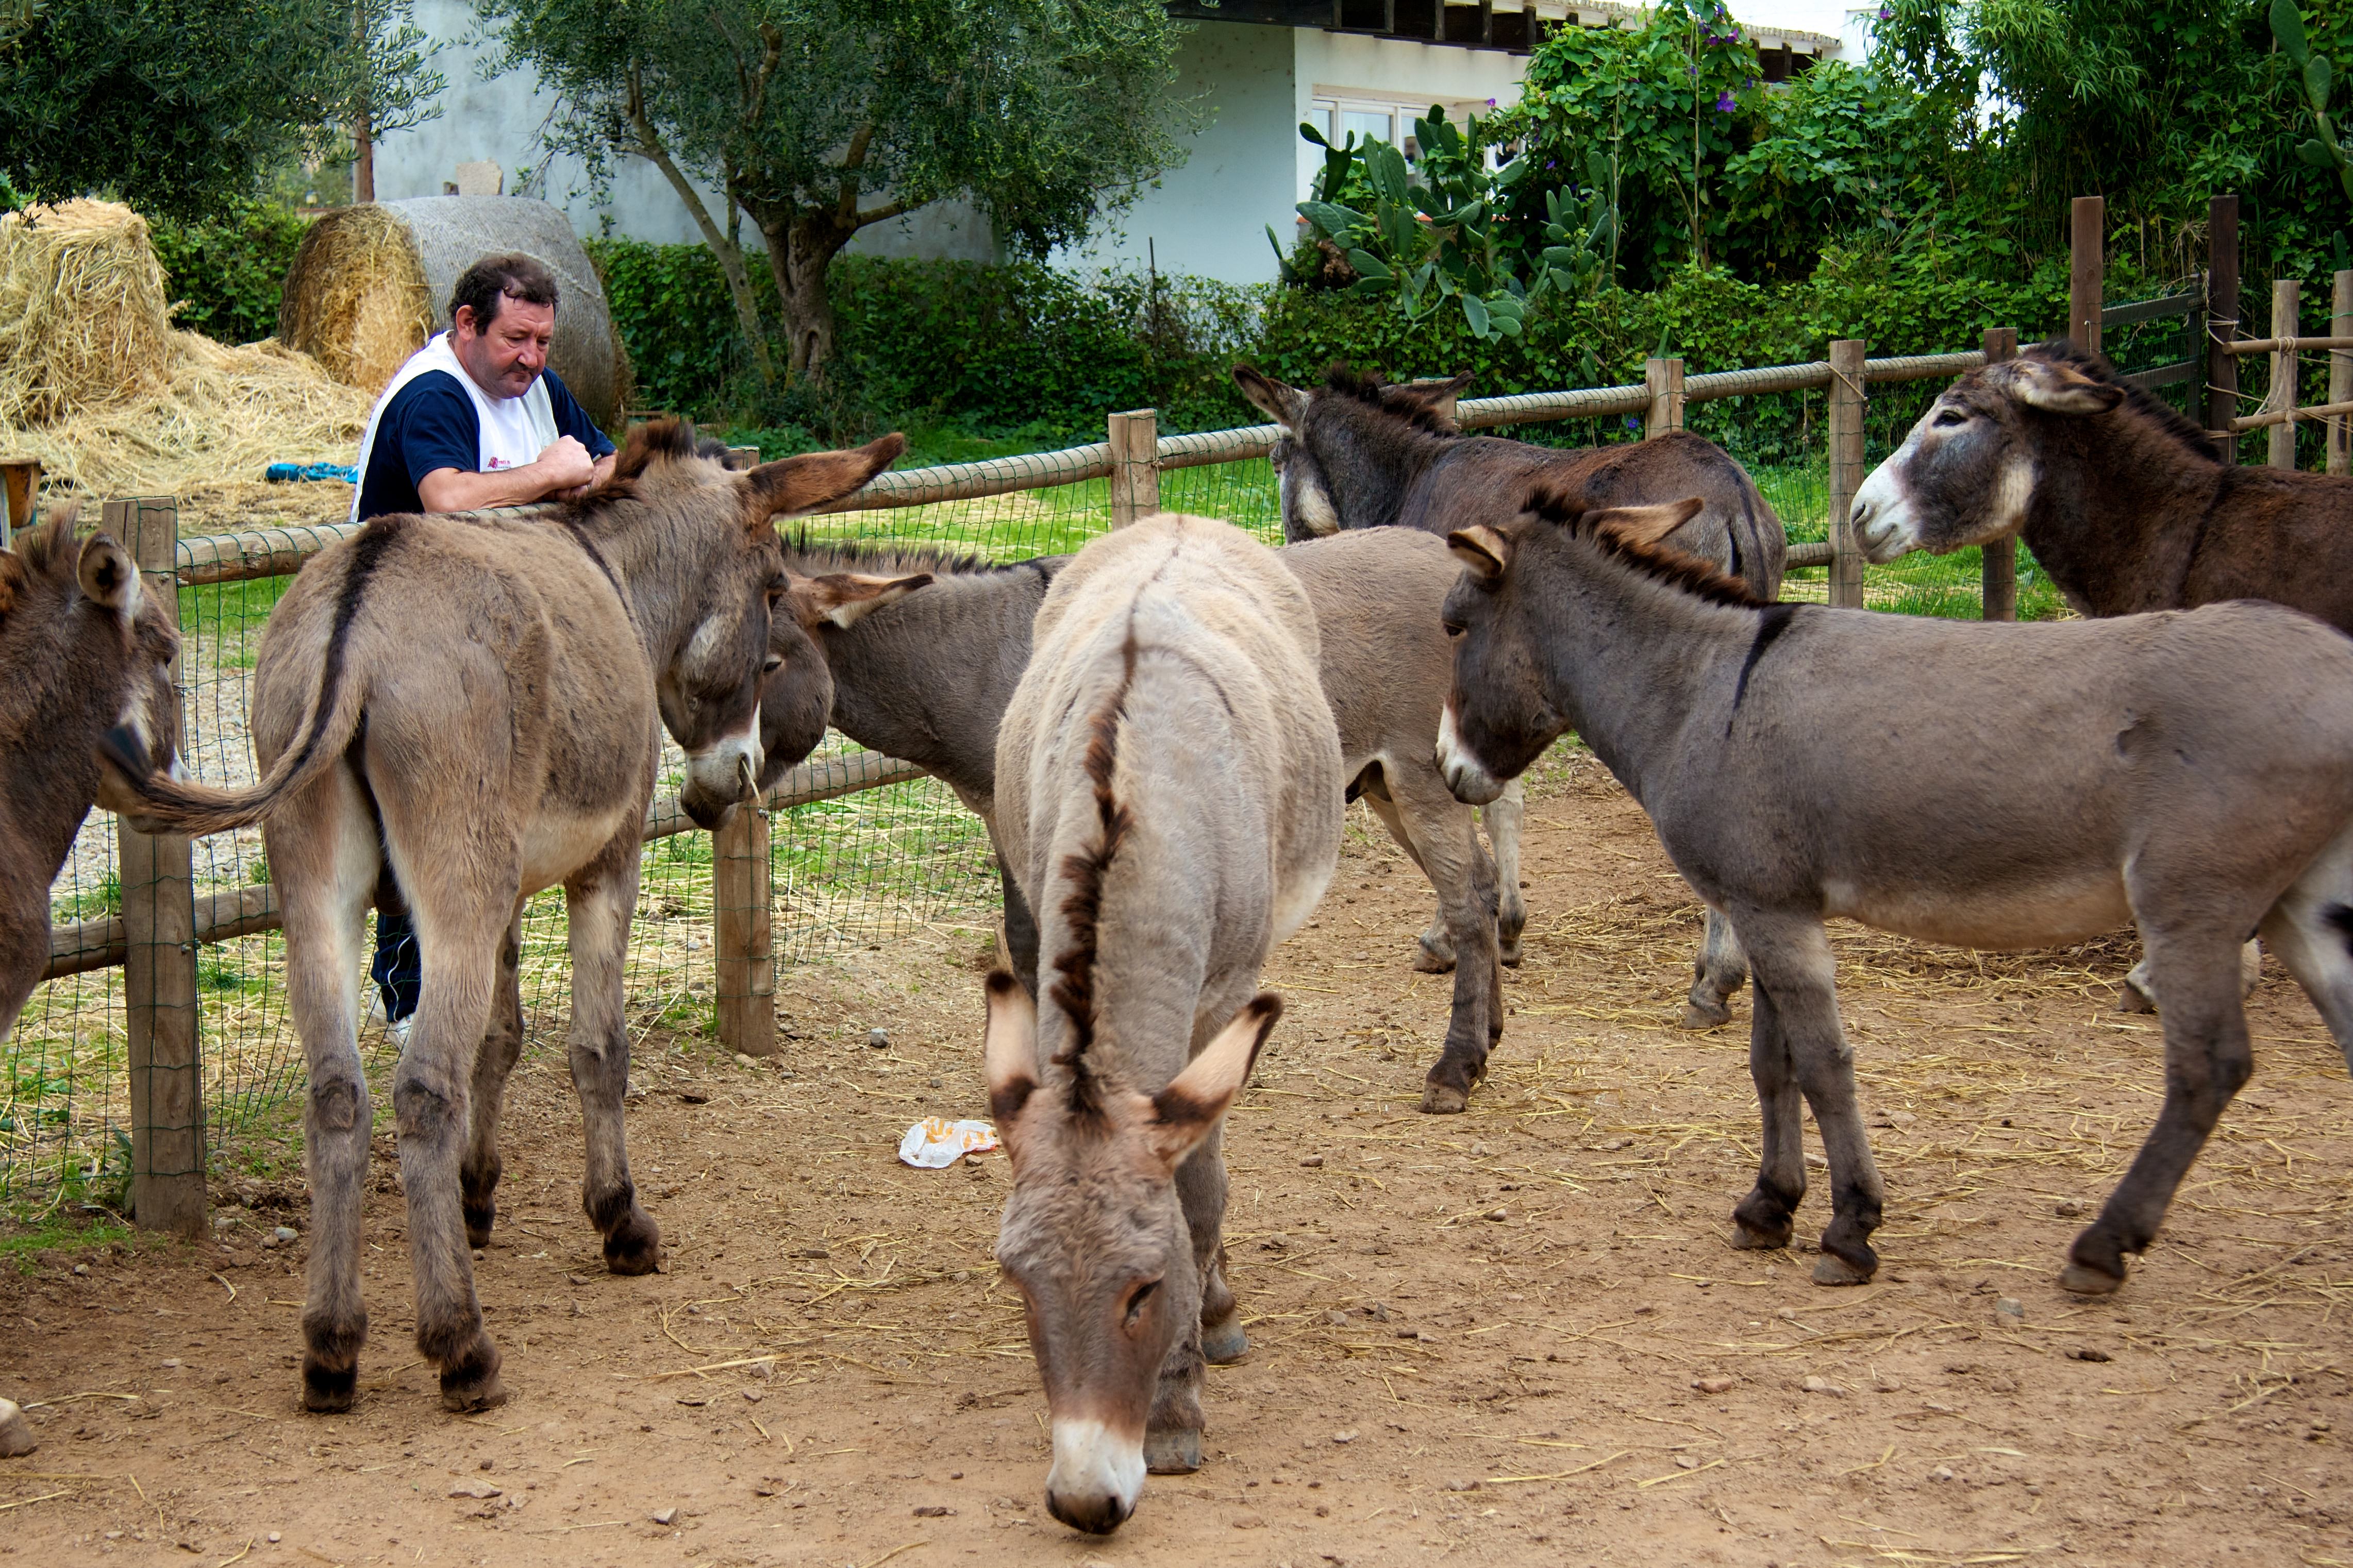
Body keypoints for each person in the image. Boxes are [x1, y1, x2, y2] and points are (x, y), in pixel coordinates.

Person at [349, 252, 618, 1039]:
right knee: (422, 811)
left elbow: (604, 459)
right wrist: (545, 476)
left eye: (543, 341)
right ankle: (408, 1002)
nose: (531, 359)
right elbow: (446, 496)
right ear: (466, 324)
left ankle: (468, 992)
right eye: (516, 339)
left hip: (490, 639)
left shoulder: (538, 388)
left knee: (482, 813)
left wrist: (581, 474)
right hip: (405, 643)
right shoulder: (434, 393)